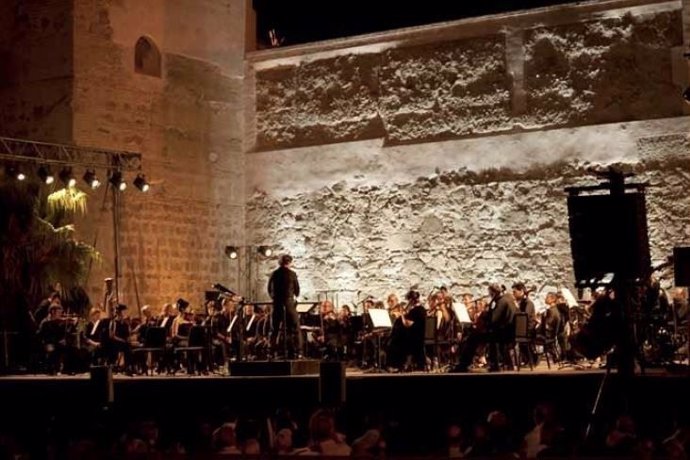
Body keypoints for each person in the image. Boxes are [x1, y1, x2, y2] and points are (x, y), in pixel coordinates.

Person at [268, 254, 303, 358]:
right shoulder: (292, 274)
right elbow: (297, 291)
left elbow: (269, 289)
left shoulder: (274, 274)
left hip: (277, 304)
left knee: (274, 329)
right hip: (289, 304)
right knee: (295, 328)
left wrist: (275, 298)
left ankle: (271, 352)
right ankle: (298, 352)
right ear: (289, 263)